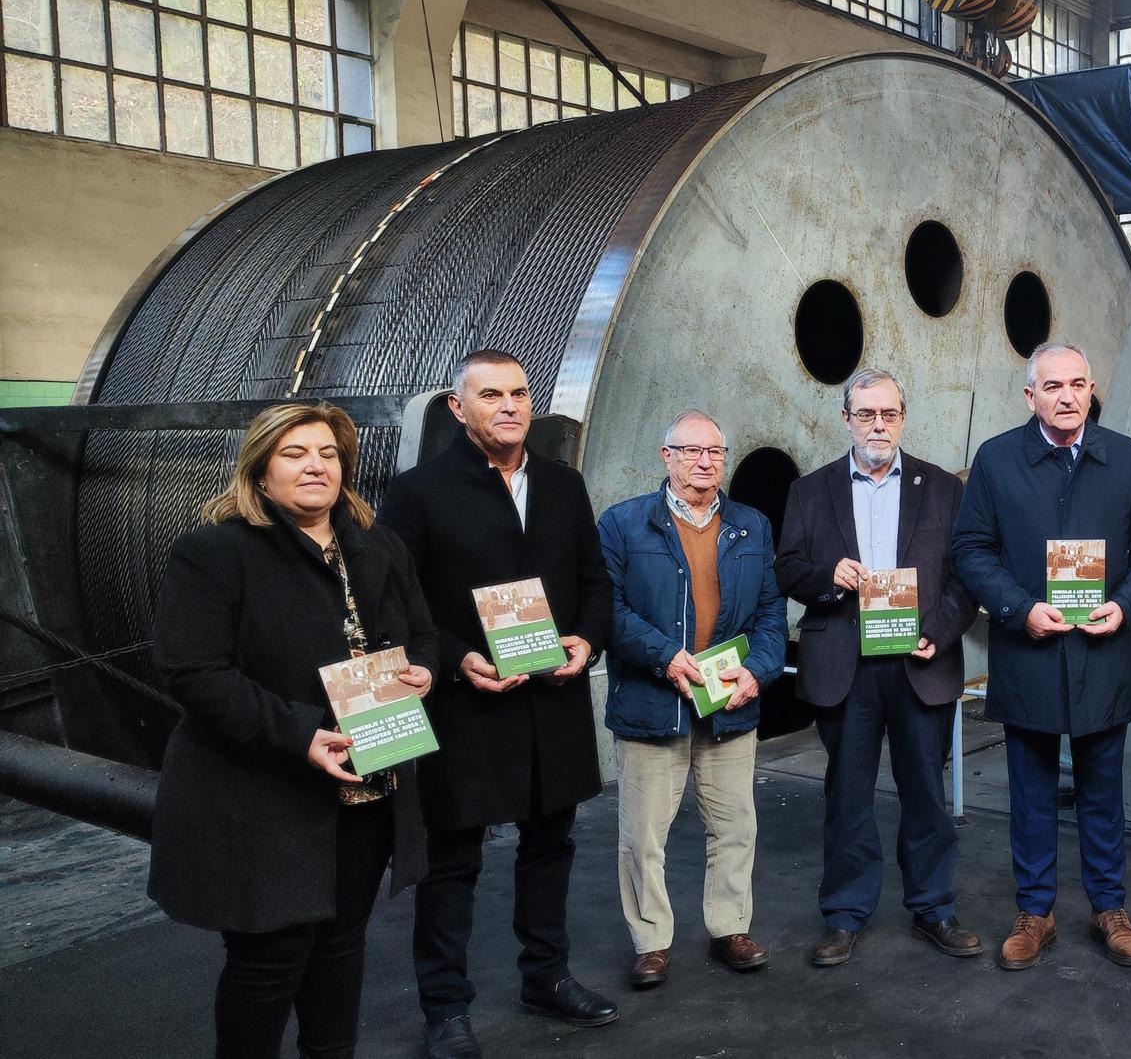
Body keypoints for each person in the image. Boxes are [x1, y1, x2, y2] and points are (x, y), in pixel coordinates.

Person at [149, 402, 438, 1059]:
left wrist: (422, 668)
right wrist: (300, 732)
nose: (316, 465)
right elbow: (193, 672)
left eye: (329, 454)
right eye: (295, 452)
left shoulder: (379, 544)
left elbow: (421, 630)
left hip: (367, 788)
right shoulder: (213, 552)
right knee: (269, 961)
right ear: (260, 470)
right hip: (262, 799)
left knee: (341, 946)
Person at [378, 350, 616, 1059]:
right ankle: (446, 1007)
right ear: (459, 407)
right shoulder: (416, 492)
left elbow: (595, 581)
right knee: (452, 864)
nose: (510, 406)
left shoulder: (563, 484)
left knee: (551, 847)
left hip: (553, 701)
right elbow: (396, 600)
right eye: (491, 394)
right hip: (468, 705)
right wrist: (456, 659)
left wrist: (586, 641)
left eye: (518, 393)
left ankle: (546, 976)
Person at [951, 342, 1131, 970]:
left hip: (1102, 651)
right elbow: (970, 551)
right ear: (1031, 396)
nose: (1067, 396)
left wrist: (1124, 605)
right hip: (1030, 651)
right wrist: (1019, 609)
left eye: (1077, 384)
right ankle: (1036, 911)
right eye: (1053, 387)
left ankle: (1109, 907)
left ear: (1091, 388)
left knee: (1104, 792)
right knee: (1030, 791)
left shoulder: (1125, 458)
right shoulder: (996, 461)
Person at [775, 369, 983, 966]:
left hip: (919, 662)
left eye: (888, 414)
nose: (878, 424)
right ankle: (844, 914)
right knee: (847, 794)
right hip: (846, 663)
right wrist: (825, 579)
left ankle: (934, 908)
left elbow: (967, 575)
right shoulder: (809, 492)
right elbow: (787, 568)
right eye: (866, 414)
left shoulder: (943, 488)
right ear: (846, 419)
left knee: (926, 794)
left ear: (902, 417)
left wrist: (937, 635)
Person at [597, 409, 788, 988]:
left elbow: (771, 613)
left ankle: (730, 928)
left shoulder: (751, 525)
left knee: (735, 825)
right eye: (692, 451)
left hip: (729, 706)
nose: (706, 462)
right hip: (655, 702)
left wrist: (756, 671)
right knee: (643, 836)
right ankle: (651, 940)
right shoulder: (624, 523)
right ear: (667, 456)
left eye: (716, 452)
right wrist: (665, 656)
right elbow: (606, 610)